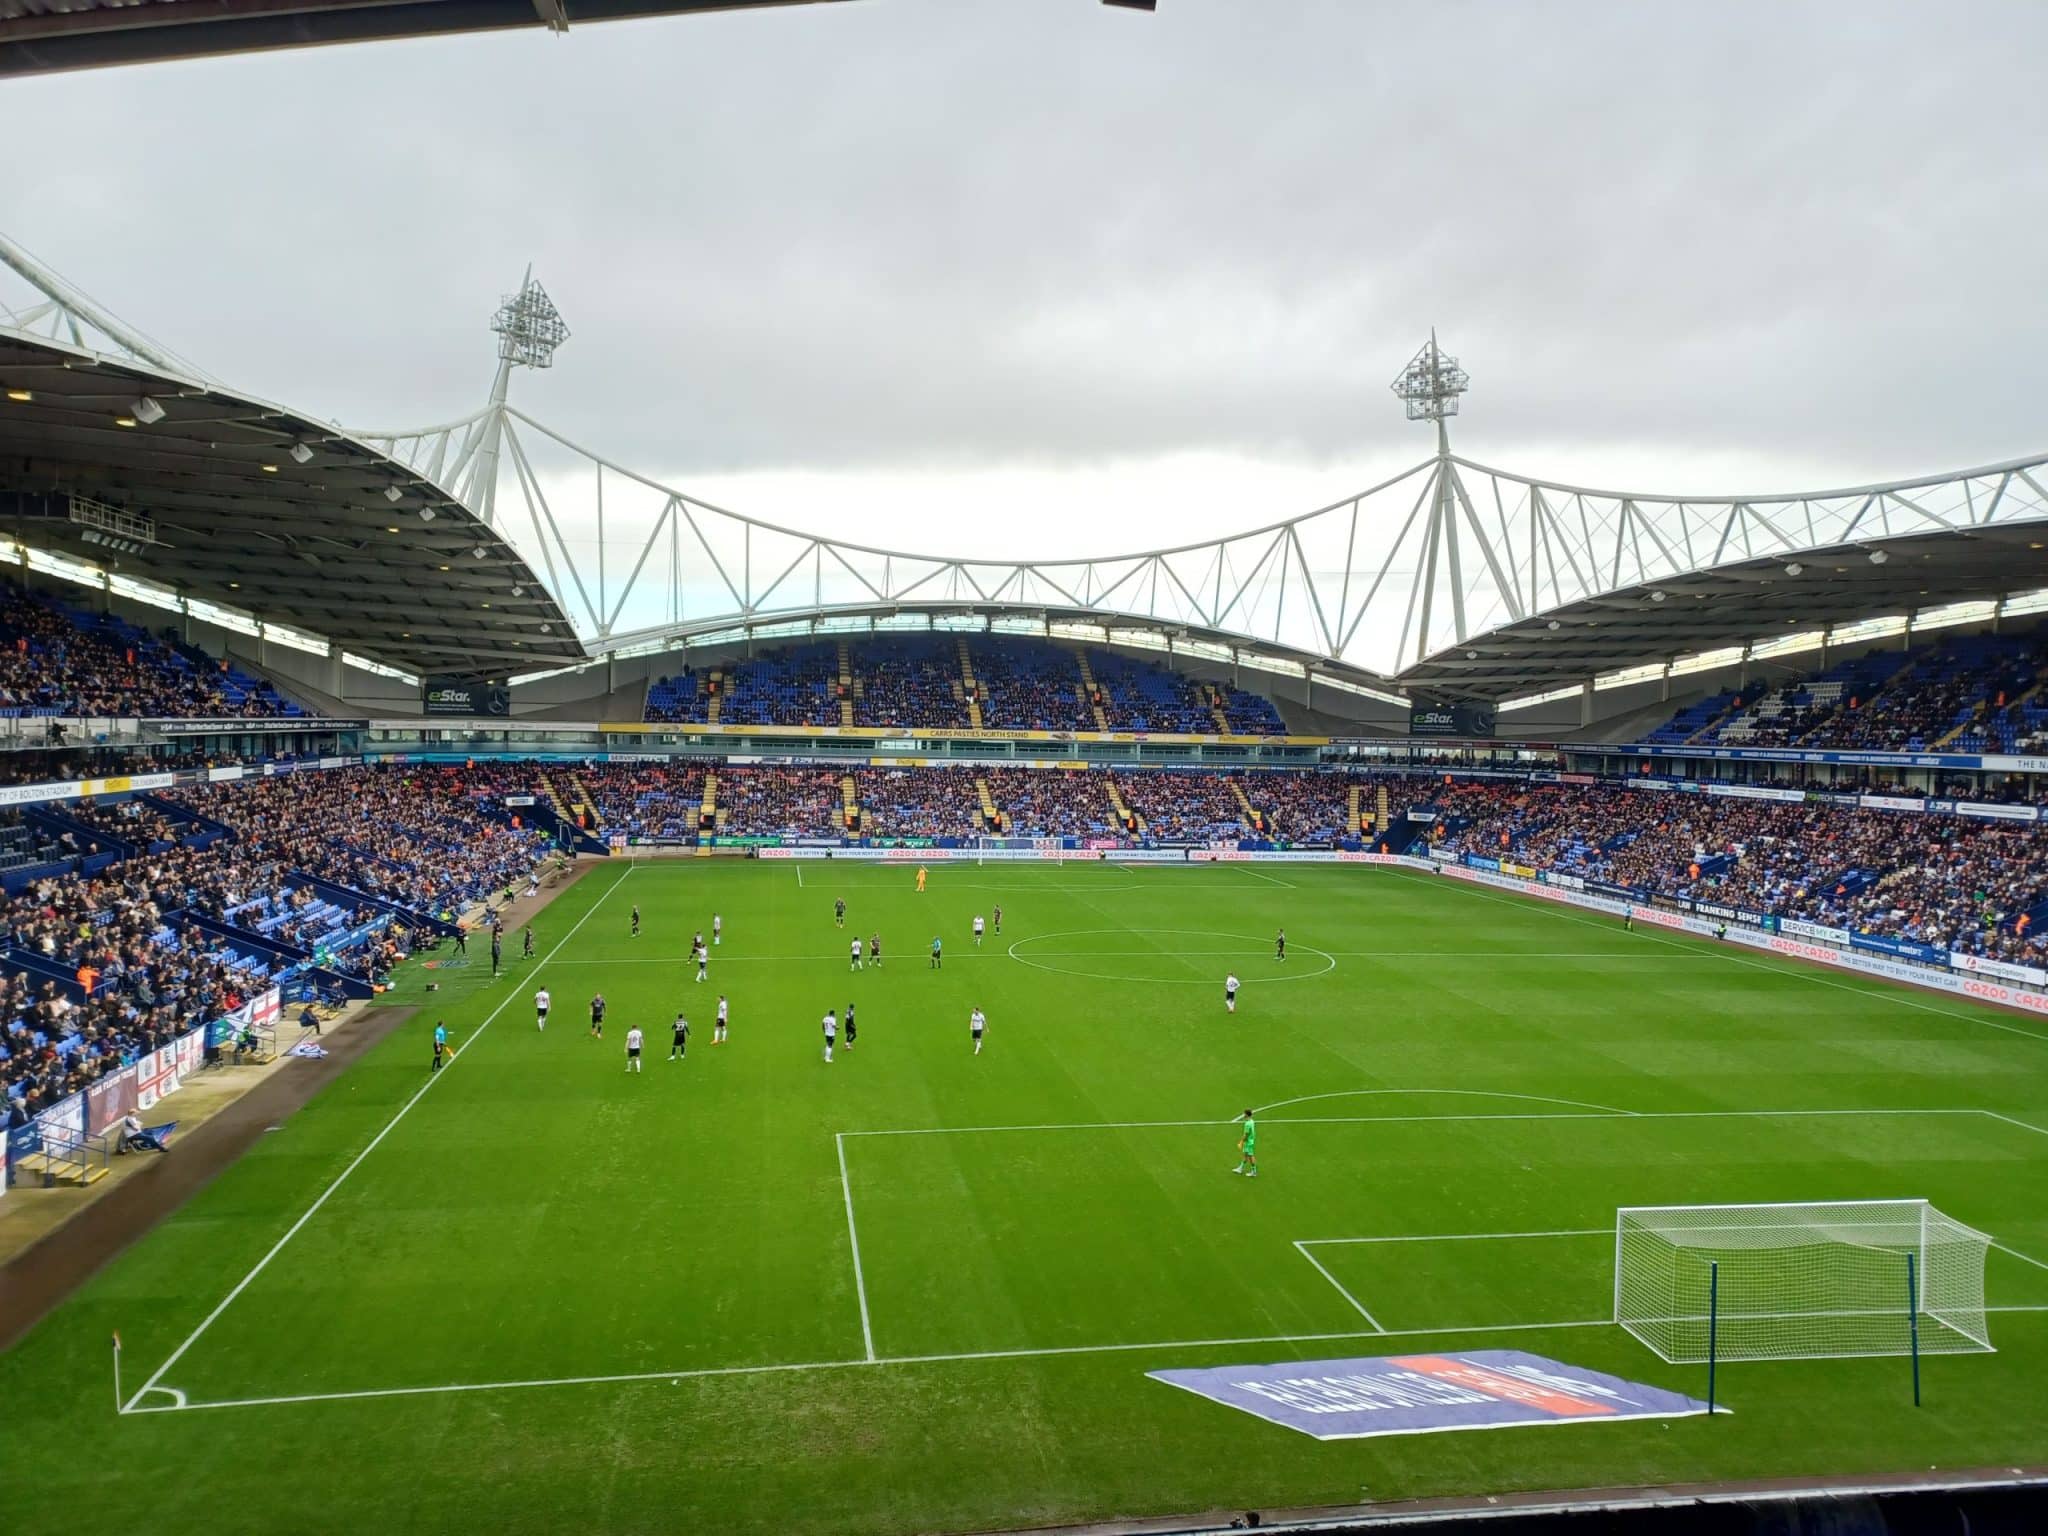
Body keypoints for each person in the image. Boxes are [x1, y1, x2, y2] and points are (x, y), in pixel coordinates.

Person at [1234, 1109, 1258, 1176]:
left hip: (1248, 1142)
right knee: (1245, 1155)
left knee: (1250, 1156)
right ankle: (1240, 1168)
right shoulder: (1252, 1121)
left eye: (1244, 1114)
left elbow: (1246, 1135)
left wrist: (1241, 1143)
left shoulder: (1247, 1124)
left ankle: (1254, 1172)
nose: (1243, 1115)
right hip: (1250, 1141)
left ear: (1246, 1115)